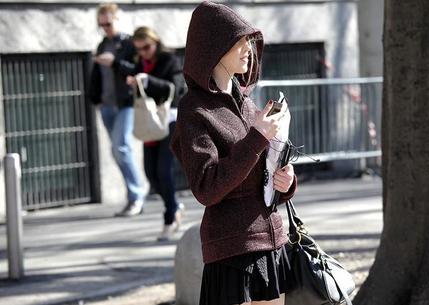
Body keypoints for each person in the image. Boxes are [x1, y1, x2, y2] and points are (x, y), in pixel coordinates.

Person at [170, 2, 297, 305]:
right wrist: (257, 138)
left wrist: (287, 180)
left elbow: (261, 171)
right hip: (232, 252)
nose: (247, 50)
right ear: (213, 48)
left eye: (249, 42)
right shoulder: (194, 110)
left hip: (271, 243)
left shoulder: (249, 105)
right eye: (238, 42)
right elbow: (207, 187)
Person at [126, 26, 186, 241]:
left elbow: (176, 88)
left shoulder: (169, 59)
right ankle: (174, 205)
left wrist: (149, 81)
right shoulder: (138, 63)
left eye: (147, 47)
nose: (144, 52)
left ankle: (169, 219)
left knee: (163, 170)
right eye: (139, 49)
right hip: (149, 122)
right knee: (151, 174)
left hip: (168, 120)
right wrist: (133, 83)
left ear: (155, 42)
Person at [89, 3, 145, 217]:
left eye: (108, 23)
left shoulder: (130, 44)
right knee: (116, 151)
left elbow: (138, 70)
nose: (106, 28)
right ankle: (133, 195)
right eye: (101, 25)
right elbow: (96, 76)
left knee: (121, 147)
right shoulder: (102, 44)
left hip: (126, 104)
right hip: (106, 105)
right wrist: (96, 99)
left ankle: (137, 196)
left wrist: (114, 63)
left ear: (117, 20)